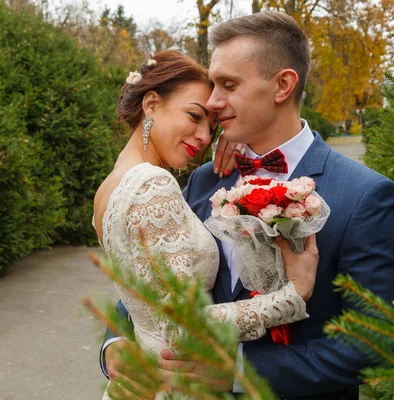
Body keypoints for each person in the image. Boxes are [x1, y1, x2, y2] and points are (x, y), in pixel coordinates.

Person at [102, 11, 394, 400]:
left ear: (283, 85)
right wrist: (114, 342)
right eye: (213, 85)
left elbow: (385, 340)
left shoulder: (363, 195)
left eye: (227, 85)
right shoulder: (205, 180)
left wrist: (240, 372)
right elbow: (153, 275)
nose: (213, 103)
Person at [93, 49, 320, 400]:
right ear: (151, 104)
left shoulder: (110, 187)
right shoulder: (154, 185)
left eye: (212, 128)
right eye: (194, 116)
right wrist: (290, 297)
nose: (203, 138)